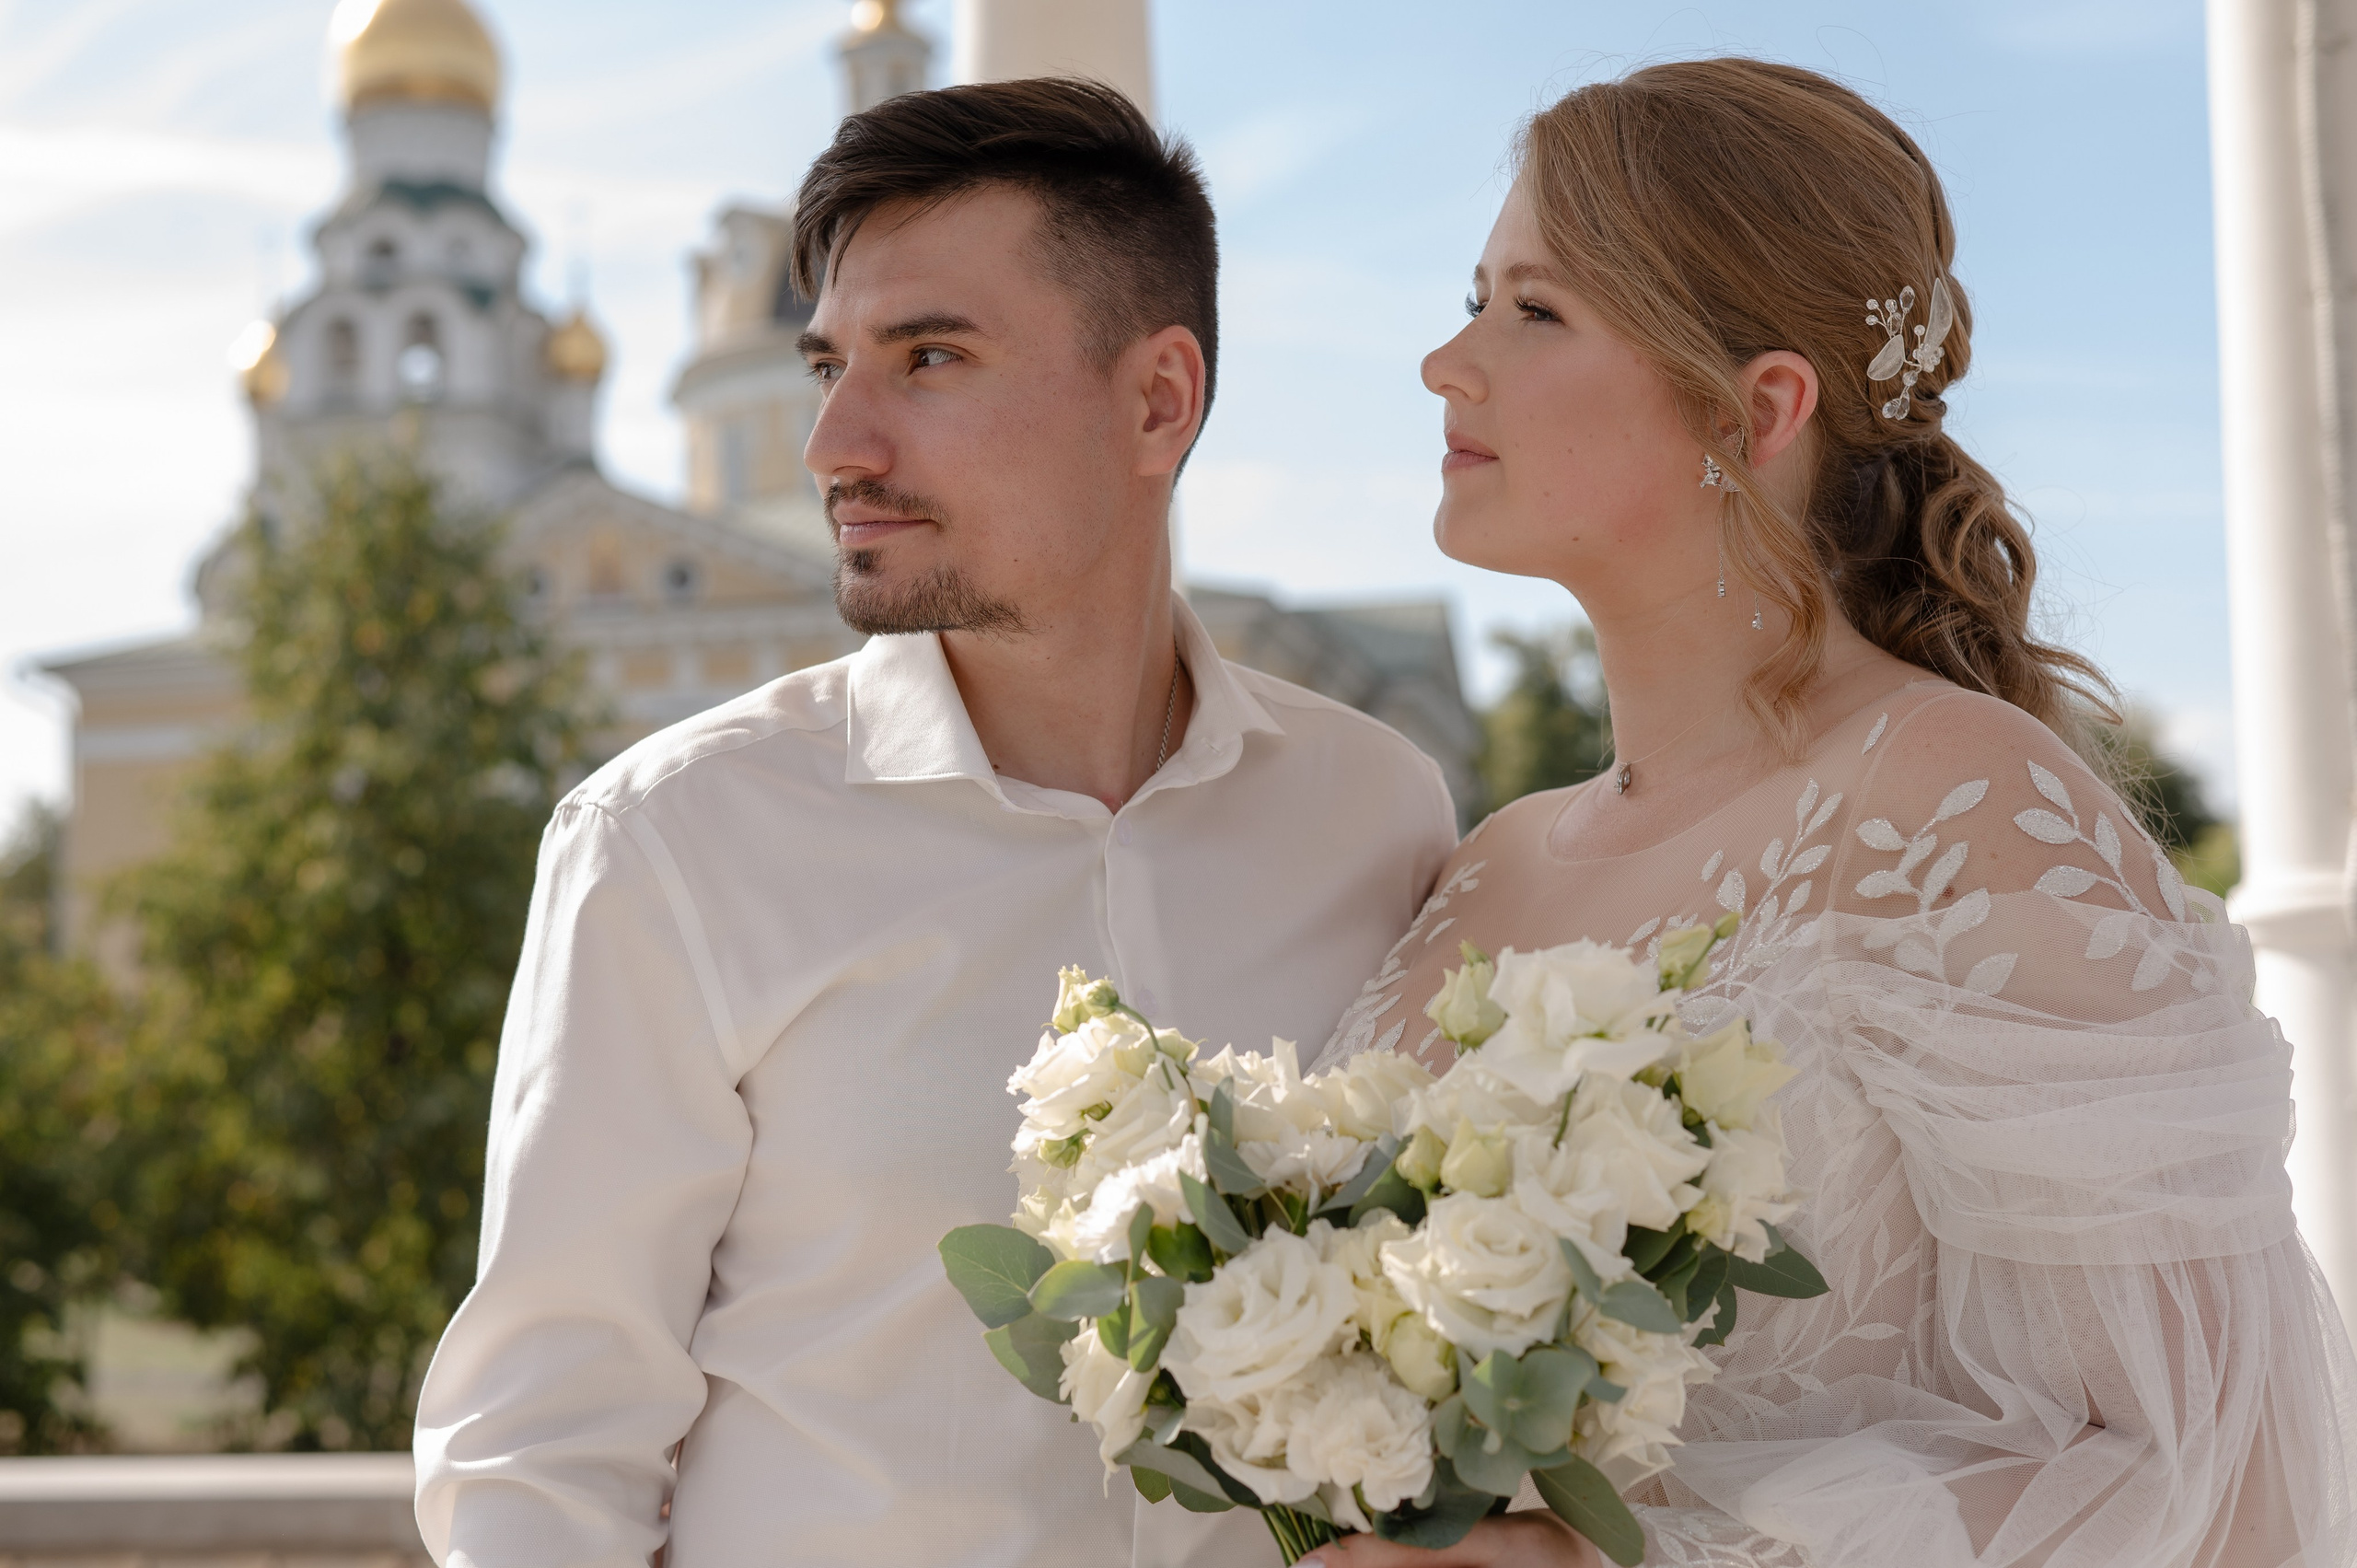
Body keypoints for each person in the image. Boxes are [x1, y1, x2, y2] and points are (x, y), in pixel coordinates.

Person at [1299, 58, 2357, 1568]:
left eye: (1534, 311)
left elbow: (2208, 1467)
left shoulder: (1955, 798)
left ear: (1759, 404)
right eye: (1475, 294)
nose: (1445, 363)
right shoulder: (1491, 864)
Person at [409, 79, 1457, 1567]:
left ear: (1157, 399)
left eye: (930, 357)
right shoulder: (674, 842)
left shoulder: (1376, 816)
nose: (835, 440)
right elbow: (538, 1457)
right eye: (828, 362)